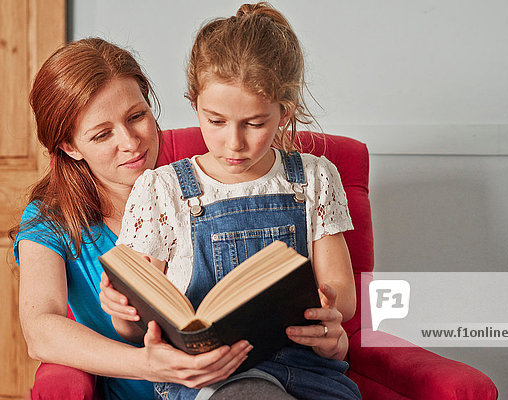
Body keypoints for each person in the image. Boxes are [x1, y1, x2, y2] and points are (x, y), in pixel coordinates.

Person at [100, 3, 361, 400]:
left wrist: (328, 314)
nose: (233, 143)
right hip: (211, 378)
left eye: (255, 124)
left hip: (306, 368)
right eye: (216, 121)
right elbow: (136, 324)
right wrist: (123, 311)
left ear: (283, 112)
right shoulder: (162, 190)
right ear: (194, 103)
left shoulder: (314, 177)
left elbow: (341, 290)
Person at [10, 38, 252, 400]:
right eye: (102, 134)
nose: (131, 142)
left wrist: (341, 332)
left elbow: (355, 300)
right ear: (70, 146)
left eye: (136, 116)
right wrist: (150, 365)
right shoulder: (50, 220)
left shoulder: (215, 176)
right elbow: (40, 331)